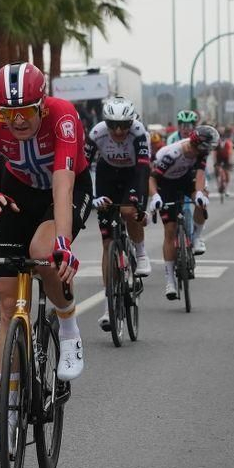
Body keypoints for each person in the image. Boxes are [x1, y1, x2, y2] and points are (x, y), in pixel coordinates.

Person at [0, 61, 88, 457]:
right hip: (18, 192)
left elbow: (63, 185)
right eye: (9, 114)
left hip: (64, 190)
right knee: (9, 305)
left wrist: (63, 241)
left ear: (42, 106)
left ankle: (68, 330)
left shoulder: (63, 115)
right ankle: (8, 416)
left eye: (26, 112)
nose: (17, 122)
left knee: (42, 254)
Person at [85, 96, 152, 333]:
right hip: (107, 175)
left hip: (132, 174)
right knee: (107, 244)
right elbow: (83, 169)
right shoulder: (96, 133)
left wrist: (140, 205)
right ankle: (108, 307)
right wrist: (91, 198)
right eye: (114, 125)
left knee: (128, 211)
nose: (120, 130)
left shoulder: (139, 132)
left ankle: (141, 253)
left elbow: (144, 169)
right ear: (106, 123)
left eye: (124, 124)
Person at [148, 125, 217, 297]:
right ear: (198, 145)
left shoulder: (202, 150)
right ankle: (170, 280)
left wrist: (199, 194)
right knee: (170, 231)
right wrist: (155, 196)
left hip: (185, 178)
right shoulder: (171, 154)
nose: (207, 151)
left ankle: (196, 237)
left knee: (202, 201)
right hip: (165, 184)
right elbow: (152, 178)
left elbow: (200, 174)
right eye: (206, 148)